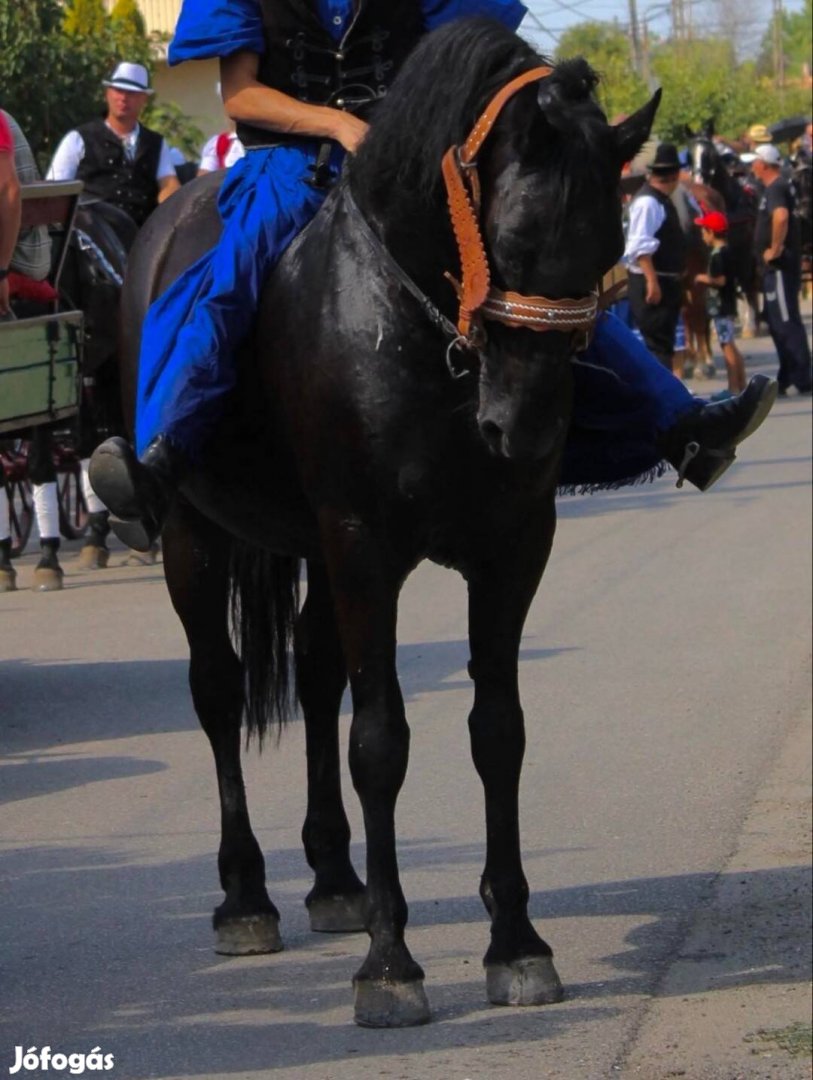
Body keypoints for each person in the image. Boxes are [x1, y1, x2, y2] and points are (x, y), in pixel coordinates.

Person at [89, 3, 778, 551]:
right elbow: (240, 98)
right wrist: (335, 124)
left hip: (405, 166)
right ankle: (163, 458)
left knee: (523, 271)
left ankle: (677, 423)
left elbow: (475, 64)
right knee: (228, 278)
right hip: (290, 164)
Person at [47, 62, 180, 227]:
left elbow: (169, 184)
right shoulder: (78, 139)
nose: (123, 98)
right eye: (118, 90)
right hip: (89, 234)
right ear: (107, 93)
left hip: (142, 234)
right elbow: (55, 189)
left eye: (131, 93)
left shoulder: (155, 143)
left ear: (143, 98)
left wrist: (168, 212)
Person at [751, 144, 812, 396]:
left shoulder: (776, 188)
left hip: (779, 267)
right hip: (773, 270)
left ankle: (803, 376)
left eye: (755, 161)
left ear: (764, 164)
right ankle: (787, 373)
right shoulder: (775, 187)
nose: (753, 166)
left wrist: (774, 249)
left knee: (786, 322)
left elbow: (781, 217)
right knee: (777, 322)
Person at [624, 142, 687, 377]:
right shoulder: (648, 202)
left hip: (665, 281)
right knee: (657, 345)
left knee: (663, 344)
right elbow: (640, 246)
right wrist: (652, 281)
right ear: (674, 175)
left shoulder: (660, 199)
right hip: (654, 282)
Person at [693, 210, 747, 396]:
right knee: (730, 344)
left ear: (711, 232)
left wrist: (703, 278)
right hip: (728, 304)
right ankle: (741, 383)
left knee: (727, 346)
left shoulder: (717, 255)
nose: (702, 235)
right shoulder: (727, 250)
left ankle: (733, 387)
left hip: (721, 306)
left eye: (703, 230)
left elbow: (721, 280)